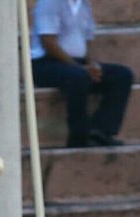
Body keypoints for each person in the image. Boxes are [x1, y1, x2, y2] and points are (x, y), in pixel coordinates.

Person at [30, 0, 133, 148]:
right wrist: (79, 67)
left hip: (75, 63)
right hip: (45, 63)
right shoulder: (49, 2)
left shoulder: (84, 5)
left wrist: (91, 64)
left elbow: (84, 42)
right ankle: (78, 138)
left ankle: (100, 130)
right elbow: (48, 42)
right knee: (78, 77)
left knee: (122, 76)